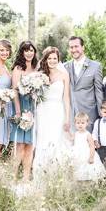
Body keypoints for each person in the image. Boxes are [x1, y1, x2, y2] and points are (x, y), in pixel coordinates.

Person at [33, 47, 72, 180]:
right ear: (45, 59)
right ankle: (40, 175)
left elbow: (66, 98)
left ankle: (56, 175)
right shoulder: (40, 74)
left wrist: (67, 118)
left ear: (58, 59)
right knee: (43, 140)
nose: (52, 61)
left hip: (57, 111)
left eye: (55, 58)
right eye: (49, 58)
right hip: (42, 111)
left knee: (56, 139)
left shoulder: (64, 75)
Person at [11, 41, 38, 181]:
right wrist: (18, 112)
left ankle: (26, 178)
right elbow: (15, 91)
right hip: (21, 106)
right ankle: (13, 176)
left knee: (30, 145)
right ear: (22, 52)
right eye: (26, 50)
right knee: (20, 145)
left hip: (33, 108)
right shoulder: (18, 69)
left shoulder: (37, 68)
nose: (29, 53)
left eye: (31, 50)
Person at [64, 36, 103, 132]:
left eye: (76, 46)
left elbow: (99, 91)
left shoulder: (95, 66)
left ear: (83, 47)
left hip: (89, 113)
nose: (73, 50)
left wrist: (101, 113)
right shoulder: (65, 66)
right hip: (71, 113)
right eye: (71, 47)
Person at [69, 112, 106, 181]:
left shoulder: (88, 134)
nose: (80, 125)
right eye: (78, 123)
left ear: (87, 123)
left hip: (86, 153)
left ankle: (89, 180)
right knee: (79, 168)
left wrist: (91, 157)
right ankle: (80, 180)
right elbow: (71, 139)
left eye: (82, 123)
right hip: (77, 153)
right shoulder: (76, 133)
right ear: (75, 124)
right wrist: (68, 132)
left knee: (88, 167)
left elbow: (92, 146)